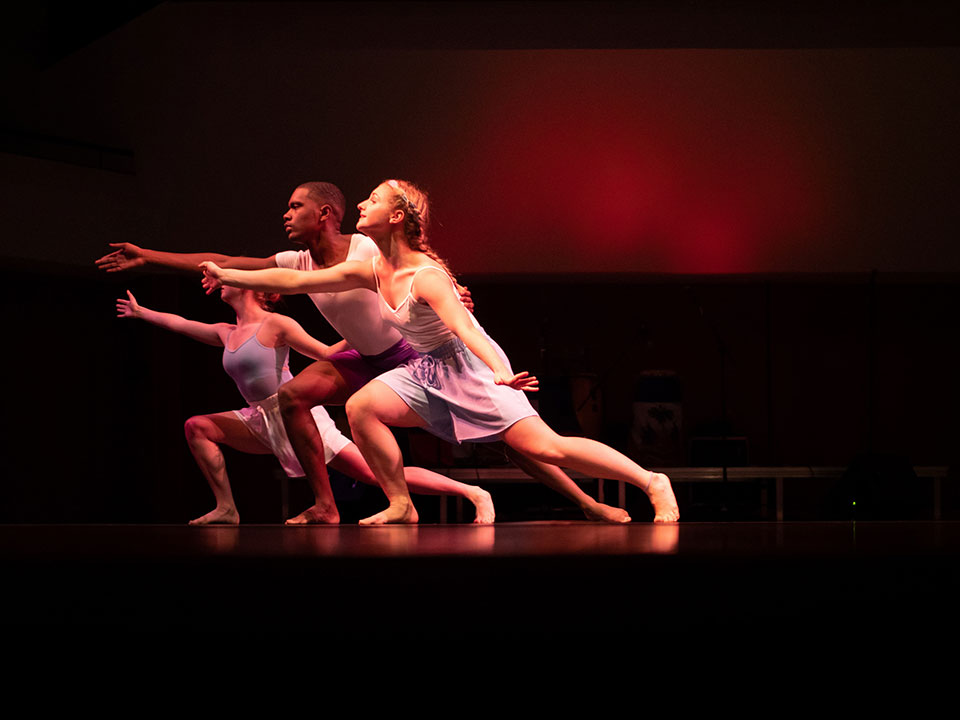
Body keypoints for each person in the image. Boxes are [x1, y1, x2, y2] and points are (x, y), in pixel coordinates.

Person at [98, 182, 630, 524]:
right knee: (293, 398)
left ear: (324, 213)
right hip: (365, 361)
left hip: (408, 355)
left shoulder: (369, 249)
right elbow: (232, 259)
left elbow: (424, 279)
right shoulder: (299, 260)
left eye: (295, 206)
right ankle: (333, 505)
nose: (286, 215)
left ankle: (586, 502)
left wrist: (457, 299)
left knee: (518, 445)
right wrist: (149, 256)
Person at [116, 285, 495, 524]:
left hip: (297, 416)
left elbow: (326, 352)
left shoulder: (276, 324)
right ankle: (227, 508)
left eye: (229, 278)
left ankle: (472, 492)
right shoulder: (225, 332)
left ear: (251, 288)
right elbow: (179, 323)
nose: (219, 284)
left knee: (372, 474)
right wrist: (142, 313)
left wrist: (384, 328)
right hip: (259, 419)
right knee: (197, 426)